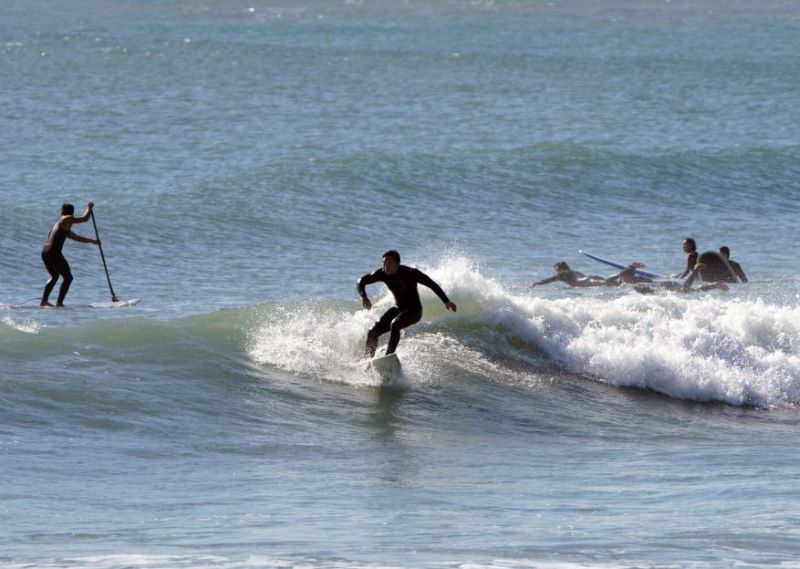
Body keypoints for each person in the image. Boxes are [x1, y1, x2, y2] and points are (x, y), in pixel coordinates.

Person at [357, 250, 457, 358]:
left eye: (388, 263)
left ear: (397, 263)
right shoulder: (382, 273)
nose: (385, 266)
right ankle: (368, 359)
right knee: (373, 332)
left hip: (414, 311)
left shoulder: (411, 273)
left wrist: (446, 301)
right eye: (383, 263)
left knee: (395, 324)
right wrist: (363, 296)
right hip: (398, 308)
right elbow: (361, 281)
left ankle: (388, 357)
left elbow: (432, 284)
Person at [40, 202, 101, 307]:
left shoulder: (59, 224)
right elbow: (84, 219)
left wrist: (93, 241)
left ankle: (44, 301)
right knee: (68, 278)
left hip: (45, 252)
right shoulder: (66, 218)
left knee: (54, 276)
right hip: (54, 252)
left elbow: (76, 237)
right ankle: (59, 303)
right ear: (71, 213)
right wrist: (89, 208)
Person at [530, 261, 651, 288]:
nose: (556, 273)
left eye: (557, 270)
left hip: (587, 281)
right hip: (590, 278)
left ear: (561, 269)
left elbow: (550, 280)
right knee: (615, 283)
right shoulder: (573, 272)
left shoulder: (563, 274)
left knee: (607, 283)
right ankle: (639, 279)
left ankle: (631, 267)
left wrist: (537, 283)